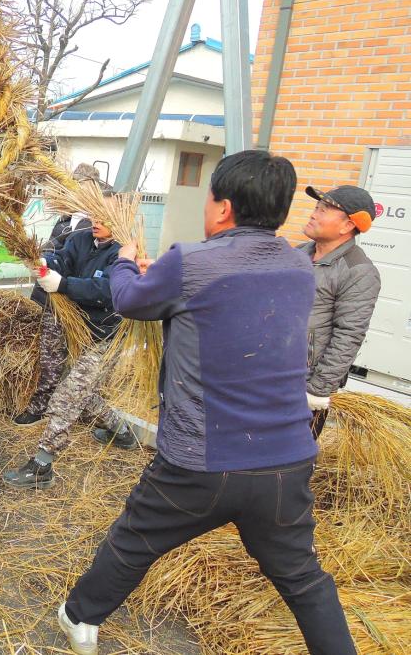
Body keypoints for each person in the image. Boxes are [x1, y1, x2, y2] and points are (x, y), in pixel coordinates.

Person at [55, 150, 356, 655]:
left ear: (223, 208)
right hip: (285, 459)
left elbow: (129, 300)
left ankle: (80, 618)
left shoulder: (191, 260)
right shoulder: (298, 267)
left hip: (201, 461)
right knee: (304, 579)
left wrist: (128, 264)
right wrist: (160, 279)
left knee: (134, 540)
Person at [3, 197, 135, 490]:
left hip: (101, 336)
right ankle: (121, 431)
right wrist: (45, 264)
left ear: (119, 220)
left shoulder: (125, 254)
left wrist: (63, 285)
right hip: (71, 323)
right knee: (82, 395)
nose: (95, 222)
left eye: (103, 218)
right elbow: (62, 258)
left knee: (68, 395)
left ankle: (42, 464)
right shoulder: (81, 239)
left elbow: (106, 290)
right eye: (94, 215)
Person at [299, 185, 380, 439]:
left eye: (324, 210)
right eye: (316, 207)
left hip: (305, 383)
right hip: (274, 370)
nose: (314, 214)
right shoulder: (298, 253)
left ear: (347, 226)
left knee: (288, 464)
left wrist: (318, 390)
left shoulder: (358, 271)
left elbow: (349, 334)